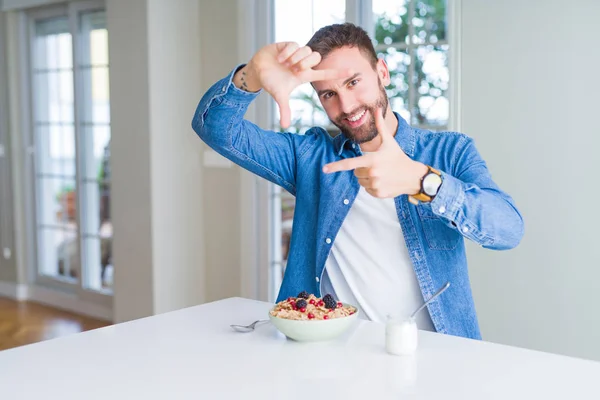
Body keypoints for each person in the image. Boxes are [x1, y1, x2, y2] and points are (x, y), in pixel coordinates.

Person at [191, 23, 524, 339]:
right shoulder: (310, 157)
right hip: (335, 354)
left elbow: (508, 229)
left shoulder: (449, 151)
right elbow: (215, 129)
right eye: (328, 94)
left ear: (382, 72)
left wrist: (422, 181)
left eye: (353, 83)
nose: (346, 106)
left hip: (433, 355)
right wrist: (250, 76)